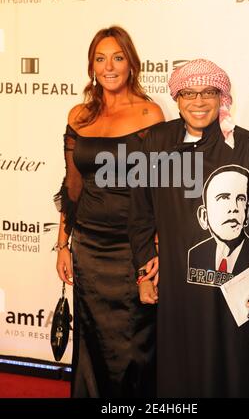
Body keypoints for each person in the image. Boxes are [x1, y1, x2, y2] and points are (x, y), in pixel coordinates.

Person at [128, 58, 249, 398]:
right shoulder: (157, 142)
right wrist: (144, 270)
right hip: (177, 292)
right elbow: (140, 210)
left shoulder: (247, 146)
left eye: (208, 92)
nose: (198, 102)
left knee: (231, 375)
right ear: (176, 97)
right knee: (178, 375)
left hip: (233, 293)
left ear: (222, 97)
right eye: (189, 93)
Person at [54, 25, 164, 398]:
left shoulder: (150, 115)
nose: (109, 66)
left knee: (135, 347)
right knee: (93, 345)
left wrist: (155, 250)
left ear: (131, 63)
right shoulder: (80, 115)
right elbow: (72, 185)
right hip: (90, 249)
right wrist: (63, 244)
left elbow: (160, 188)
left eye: (118, 57)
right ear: (91, 66)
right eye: (100, 59)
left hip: (131, 249)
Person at [188, 164, 249, 283]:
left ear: (247, 212)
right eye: (223, 198)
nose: (234, 208)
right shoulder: (195, 254)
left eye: (240, 199)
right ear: (204, 216)